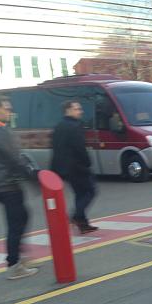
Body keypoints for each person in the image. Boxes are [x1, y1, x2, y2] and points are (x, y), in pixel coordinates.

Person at [0, 94, 39, 279]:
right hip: (8, 185)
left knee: (20, 217)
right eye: (7, 108)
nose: (10, 112)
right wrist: (34, 176)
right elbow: (14, 159)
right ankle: (14, 264)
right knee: (16, 222)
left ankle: (19, 258)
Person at [51, 100, 98, 233]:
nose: (81, 111)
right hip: (77, 166)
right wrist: (87, 162)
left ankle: (83, 224)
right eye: (77, 109)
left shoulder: (59, 125)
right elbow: (79, 148)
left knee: (80, 193)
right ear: (68, 110)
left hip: (64, 168)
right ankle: (77, 216)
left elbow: (55, 147)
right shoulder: (74, 126)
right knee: (90, 191)